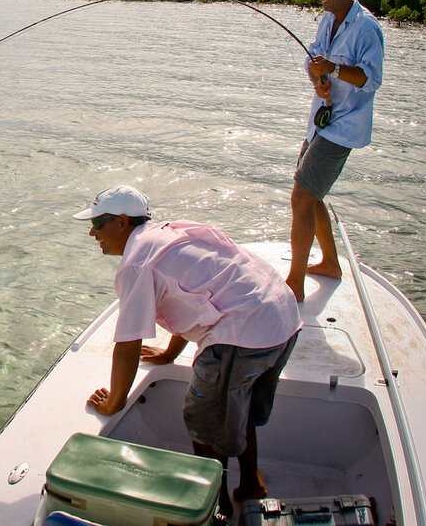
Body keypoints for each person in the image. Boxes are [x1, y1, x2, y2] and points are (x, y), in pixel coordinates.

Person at [76, 185, 301, 515]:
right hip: (282, 317)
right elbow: (198, 294)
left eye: (97, 224)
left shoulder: (136, 263)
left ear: (121, 222)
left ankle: (216, 508)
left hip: (243, 334)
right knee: (243, 405)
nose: (92, 233)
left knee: (206, 424)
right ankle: (251, 483)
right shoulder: (171, 233)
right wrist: (169, 353)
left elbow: (127, 345)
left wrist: (115, 401)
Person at [288, 0, 384, 302]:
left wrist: (335, 70)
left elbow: (370, 79)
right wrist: (319, 80)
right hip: (321, 117)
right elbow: (314, 60)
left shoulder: (367, 27)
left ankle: (293, 285)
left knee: (301, 196)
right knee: (310, 194)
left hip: (343, 125)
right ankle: (330, 262)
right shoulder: (327, 19)